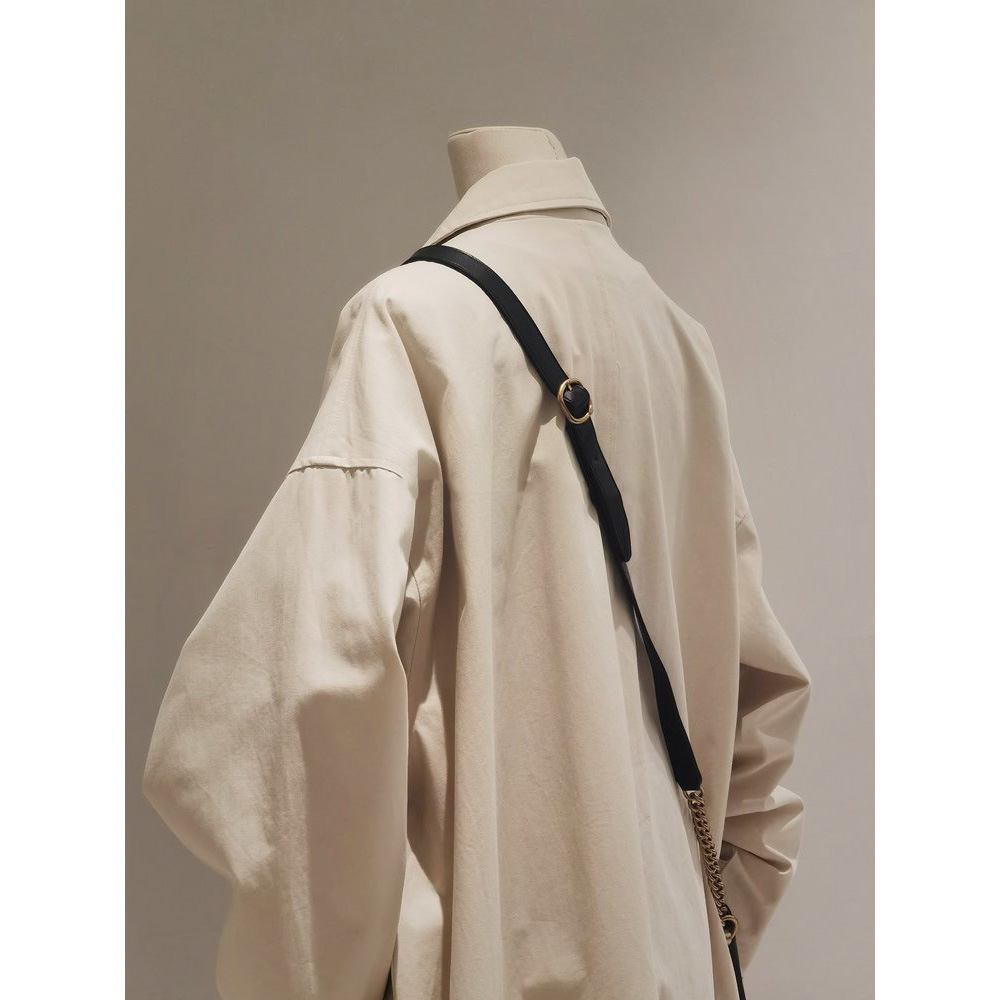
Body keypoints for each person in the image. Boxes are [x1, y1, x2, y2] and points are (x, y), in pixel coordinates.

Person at [143, 127, 811, 1000]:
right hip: (672, 965)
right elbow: (761, 708)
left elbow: (307, 706)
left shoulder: (407, 322)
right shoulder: (679, 342)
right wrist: (698, 938)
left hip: (490, 965)